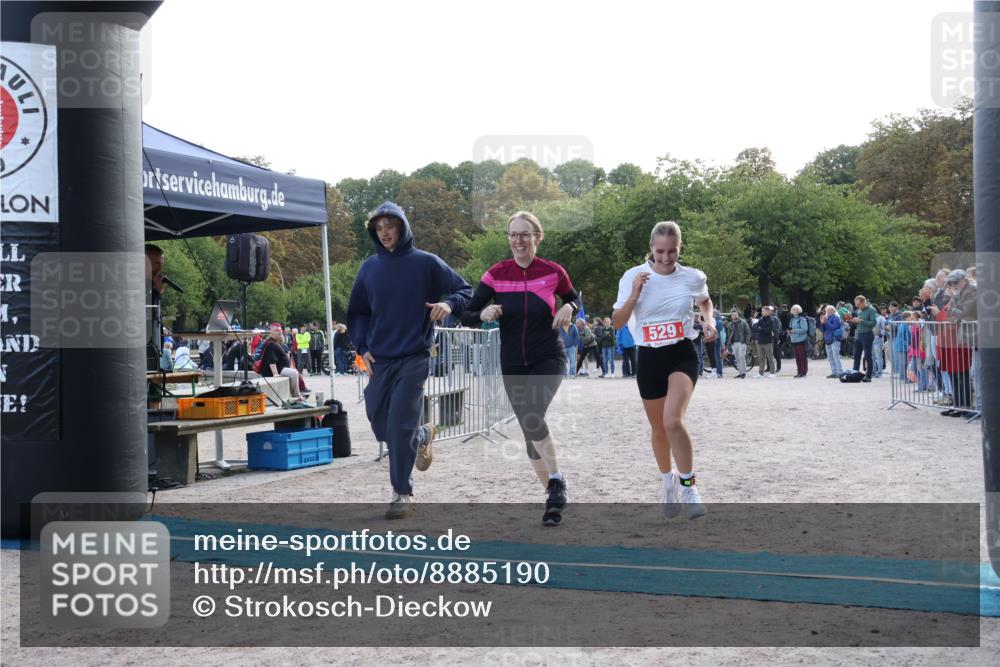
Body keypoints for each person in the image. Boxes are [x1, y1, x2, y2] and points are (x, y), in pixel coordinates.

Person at [347, 201, 472, 520]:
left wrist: (449, 304)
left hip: (415, 355)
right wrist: (362, 347)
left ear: (402, 226)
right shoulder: (368, 268)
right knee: (380, 422)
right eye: (379, 227)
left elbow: (466, 291)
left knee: (400, 421)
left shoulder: (426, 263)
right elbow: (358, 312)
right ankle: (421, 436)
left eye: (390, 225)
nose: (384, 231)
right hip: (379, 359)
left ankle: (401, 492)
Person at [461, 211, 579, 525]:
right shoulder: (496, 274)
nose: (518, 240)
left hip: (547, 357)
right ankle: (552, 499)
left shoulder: (553, 272)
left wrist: (569, 306)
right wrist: (483, 312)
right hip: (512, 361)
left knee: (532, 415)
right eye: (513, 234)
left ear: (537, 238)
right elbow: (467, 314)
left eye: (525, 234)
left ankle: (556, 479)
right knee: (530, 432)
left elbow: (574, 299)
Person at [611, 221, 715, 520]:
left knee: (673, 421)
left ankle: (689, 486)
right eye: (660, 252)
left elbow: (705, 301)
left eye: (672, 251)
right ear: (651, 249)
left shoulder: (692, 277)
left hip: (681, 352)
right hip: (649, 356)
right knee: (658, 430)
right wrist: (634, 294)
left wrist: (710, 321)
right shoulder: (633, 276)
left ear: (680, 248)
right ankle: (667, 483)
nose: (666, 258)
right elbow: (618, 322)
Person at [259, 322, 304, 400]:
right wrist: (275, 374)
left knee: (295, 372)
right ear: (271, 332)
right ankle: (296, 396)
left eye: (280, 330)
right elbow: (271, 361)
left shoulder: (274, 342)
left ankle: (301, 390)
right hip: (278, 370)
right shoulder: (271, 344)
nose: (280, 332)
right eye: (277, 330)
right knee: (294, 373)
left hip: (281, 368)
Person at [145, 244, 166, 373]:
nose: (160, 269)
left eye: (162, 264)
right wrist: (157, 292)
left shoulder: (152, 285)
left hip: (155, 346)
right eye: (157, 264)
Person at [849, 295, 878, 382]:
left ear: (863, 302)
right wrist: (854, 321)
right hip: (859, 334)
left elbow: (873, 323)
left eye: (858, 304)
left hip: (867, 334)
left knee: (867, 356)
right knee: (856, 355)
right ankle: (854, 374)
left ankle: (868, 376)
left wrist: (861, 321)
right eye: (856, 304)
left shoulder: (871, 310)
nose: (857, 306)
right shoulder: (858, 311)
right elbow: (858, 323)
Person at [819, 305, 844, 378]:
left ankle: (839, 372)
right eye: (828, 310)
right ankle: (833, 372)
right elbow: (823, 330)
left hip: (835, 338)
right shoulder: (826, 318)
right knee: (830, 357)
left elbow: (833, 327)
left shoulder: (836, 318)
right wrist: (823, 323)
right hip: (828, 338)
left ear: (834, 311)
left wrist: (826, 322)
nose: (829, 311)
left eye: (831, 310)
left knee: (836, 356)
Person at [752, 305, 777, 377]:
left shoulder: (771, 320)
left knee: (770, 358)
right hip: (760, 341)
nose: (762, 312)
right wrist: (761, 329)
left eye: (764, 311)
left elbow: (768, 331)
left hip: (768, 341)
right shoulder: (760, 320)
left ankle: (772, 373)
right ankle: (760, 373)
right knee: (761, 358)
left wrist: (760, 329)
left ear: (768, 312)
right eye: (762, 311)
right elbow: (754, 328)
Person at [788, 305, 809, 378]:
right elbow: (790, 328)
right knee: (797, 357)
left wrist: (793, 331)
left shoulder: (802, 319)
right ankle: (799, 371)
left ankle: (804, 371)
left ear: (799, 310)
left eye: (796, 310)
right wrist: (789, 332)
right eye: (793, 310)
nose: (794, 311)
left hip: (801, 340)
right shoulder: (792, 319)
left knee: (802, 356)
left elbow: (804, 329)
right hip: (794, 340)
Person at [728, 309, 751, 378]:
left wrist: (746, 342)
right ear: (731, 316)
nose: (734, 316)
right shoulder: (731, 324)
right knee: (737, 358)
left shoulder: (743, 322)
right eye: (733, 315)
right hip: (734, 343)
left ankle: (744, 373)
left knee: (741, 356)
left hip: (742, 342)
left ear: (738, 315)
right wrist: (729, 344)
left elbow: (748, 332)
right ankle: (740, 373)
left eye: (735, 314)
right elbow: (729, 334)